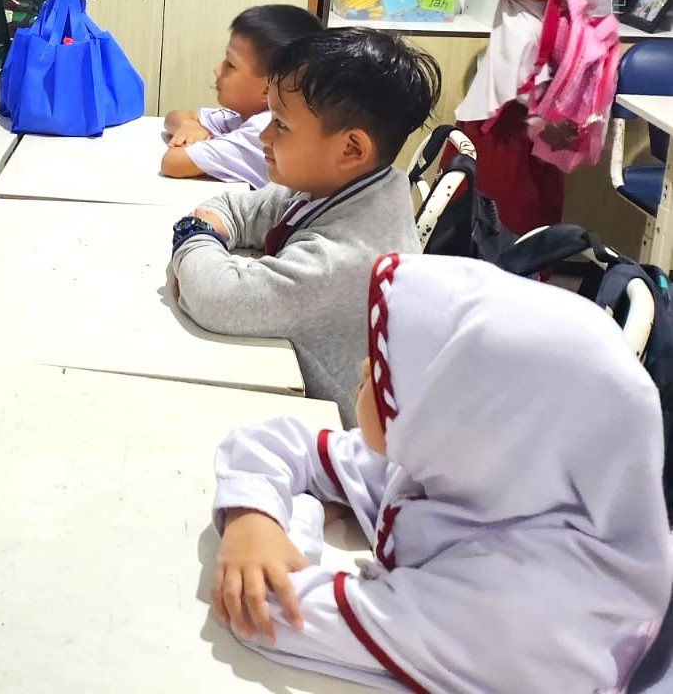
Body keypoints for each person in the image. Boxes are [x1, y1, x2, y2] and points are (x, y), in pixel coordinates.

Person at [209, 254, 671, 691]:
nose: (366, 367)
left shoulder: (514, 611)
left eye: (393, 374)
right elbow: (278, 443)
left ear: (458, 416)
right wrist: (255, 519)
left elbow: (268, 610)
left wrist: (294, 512)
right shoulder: (495, 474)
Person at [168, 28, 439, 421]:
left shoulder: (343, 257)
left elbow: (217, 298)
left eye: (280, 124)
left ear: (351, 148)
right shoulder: (335, 186)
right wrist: (209, 235)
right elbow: (240, 208)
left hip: (340, 451)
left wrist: (193, 238)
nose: (263, 135)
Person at [454, 0, 650, 234]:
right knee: (505, 211)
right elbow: (522, 87)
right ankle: (501, 274)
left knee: (541, 206)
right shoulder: (517, 24)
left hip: (551, 119)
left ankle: (532, 272)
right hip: (509, 127)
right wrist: (560, 121)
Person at [160, 4, 322, 187]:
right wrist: (188, 125)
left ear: (269, 89)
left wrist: (187, 140)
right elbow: (174, 116)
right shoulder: (245, 116)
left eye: (230, 65)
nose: (217, 69)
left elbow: (173, 162)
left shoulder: (262, 129)